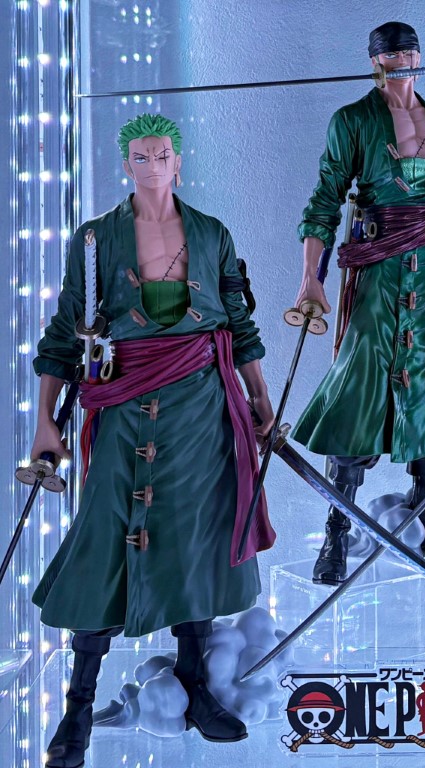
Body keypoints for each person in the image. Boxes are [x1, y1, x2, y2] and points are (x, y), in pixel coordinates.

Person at [30, 113, 275, 767]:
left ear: (178, 162)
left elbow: (239, 325)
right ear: (126, 165)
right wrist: (45, 421)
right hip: (124, 402)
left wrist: (258, 399)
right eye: (140, 157)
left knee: (198, 542)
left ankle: (196, 688)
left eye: (162, 155)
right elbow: (66, 332)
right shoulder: (95, 240)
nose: (152, 166)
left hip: (203, 407)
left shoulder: (212, 234)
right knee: (103, 540)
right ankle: (78, 707)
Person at [292, 21, 425, 585]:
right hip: (382, 267)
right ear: (375, 62)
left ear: (419, 57)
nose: (401, 60)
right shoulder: (352, 120)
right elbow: (325, 200)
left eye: (409, 52)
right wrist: (310, 279)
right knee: (358, 389)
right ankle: (336, 531)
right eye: (390, 54)